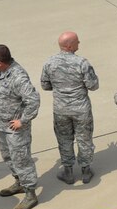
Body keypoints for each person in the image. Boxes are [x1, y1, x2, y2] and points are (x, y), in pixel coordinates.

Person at [40, 32, 99, 185]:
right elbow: (93, 85)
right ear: (70, 45)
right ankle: (86, 171)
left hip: (61, 110)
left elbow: (45, 85)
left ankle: (68, 172)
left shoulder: (49, 63)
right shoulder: (82, 63)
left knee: (64, 140)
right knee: (84, 139)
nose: (79, 42)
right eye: (77, 41)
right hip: (81, 110)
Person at [0, 44, 40, 209]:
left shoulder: (18, 77)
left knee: (21, 160)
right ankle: (19, 183)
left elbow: (33, 100)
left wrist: (23, 121)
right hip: (2, 126)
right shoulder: (1, 72)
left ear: (0, 62)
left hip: (16, 130)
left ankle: (30, 194)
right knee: (8, 157)